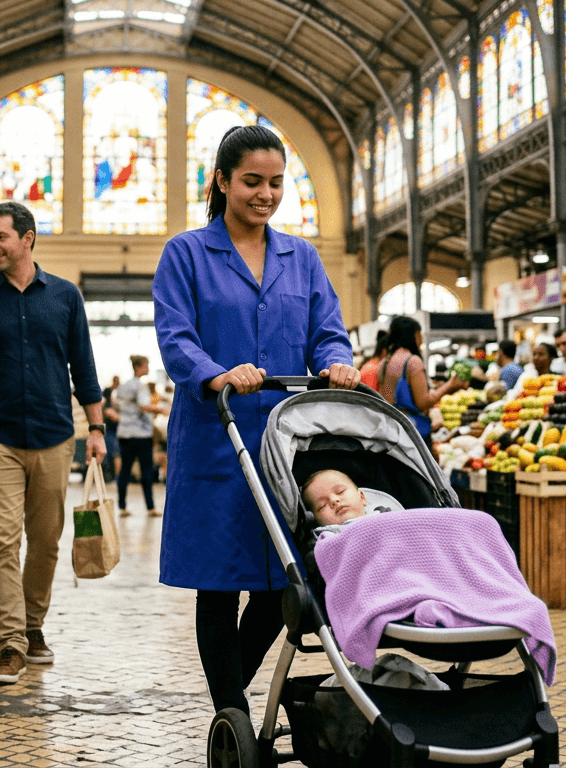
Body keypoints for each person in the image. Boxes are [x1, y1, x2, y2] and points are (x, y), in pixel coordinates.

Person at [153, 124, 360, 717]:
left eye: (275, 183)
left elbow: (327, 330)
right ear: (220, 181)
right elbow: (175, 335)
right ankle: (233, 710)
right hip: (217, 439)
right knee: (218, 580)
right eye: (251, 182)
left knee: (284, 578)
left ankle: (228, 698)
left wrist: (337, 362)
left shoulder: (304, 258)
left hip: (286, 444)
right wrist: (215, 373)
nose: (265, 194)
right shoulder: (186, 253)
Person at [0, 201, 106, 687]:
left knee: (46, 542)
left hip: (56, 437)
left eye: (0, 237)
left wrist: (95, 429)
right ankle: (10, 644)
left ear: (27, 239)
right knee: (1, 542)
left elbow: (85, 367)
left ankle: (34, 624)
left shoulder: (65, 296)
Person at [377, 316, 467, 447]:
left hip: (389, 430)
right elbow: (423, 403)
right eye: (420, 335)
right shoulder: (412, 361)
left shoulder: (384, 363)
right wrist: (449, 386)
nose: (421, 340)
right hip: (411, 434)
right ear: (413, 335)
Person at [115, 355, 168, 517]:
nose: (148, 369)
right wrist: (162, 410)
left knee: (125, 470)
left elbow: (118, 406)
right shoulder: (139, 386)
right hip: (141, 434)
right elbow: (144, 405)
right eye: (146, 365)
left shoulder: (123, 386)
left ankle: (122, 505)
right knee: (146, 470)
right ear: (139, 367)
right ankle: (150, 507)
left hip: (124, 433)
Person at [102, 375, 121, 482]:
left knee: (115, 452)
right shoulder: (108, 391)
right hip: (110, 428)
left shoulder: (116, 393)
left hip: (113, 428)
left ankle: (116, 477)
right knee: (114, 452)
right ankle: (113, 476)